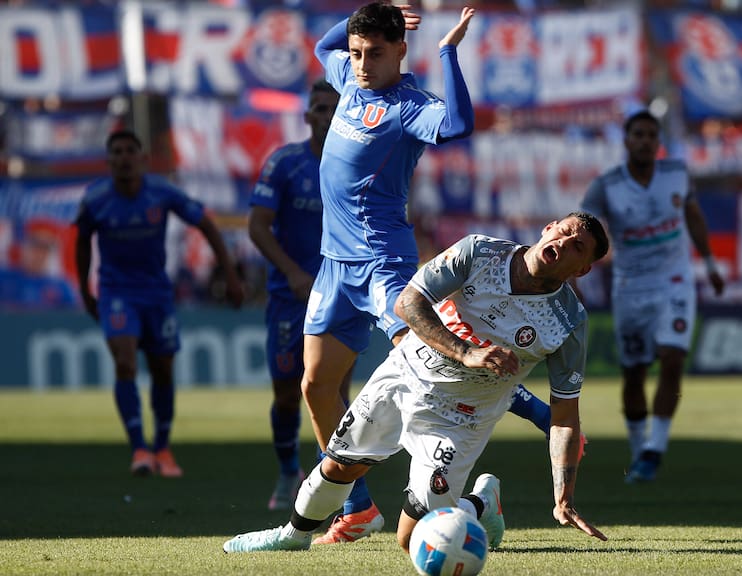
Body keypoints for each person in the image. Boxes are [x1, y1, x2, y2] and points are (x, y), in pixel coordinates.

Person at [222, 211, 610, 553]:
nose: (564, 243)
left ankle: (481, 504)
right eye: (563, 232)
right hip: (405, 375)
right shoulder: (479, 252)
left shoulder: (568, 323)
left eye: (578, 247)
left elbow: (565, 415)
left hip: (462, 418)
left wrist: (564, 497)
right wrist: (466, 351)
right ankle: (292, 534)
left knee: (413, 539)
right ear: (547, 229)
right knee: (341, 466)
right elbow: (407, 302)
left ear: (582, 270)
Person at [298, 2, 476, 544]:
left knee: (426, 370)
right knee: (316, 384)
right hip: (334, 265)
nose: (361, 64)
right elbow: (322, 48)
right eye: (357, 53)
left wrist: (447, 52)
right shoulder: (348, 80)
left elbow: (459, 124)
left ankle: (467, 490)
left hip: (380, 260)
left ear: (401, 50)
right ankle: (355, 508)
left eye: (375, 53)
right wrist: (360, 10)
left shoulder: (409, 105)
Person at [74, 129, 245, 477]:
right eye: (116, 152)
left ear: (142, 159)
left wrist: (230, 276)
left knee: (163, 368)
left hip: (156, 293)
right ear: (109, 162)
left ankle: (163, 448)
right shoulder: (95, 199)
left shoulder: (161, 192)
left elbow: (207, 224)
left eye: (129, 152)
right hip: (116, 292)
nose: (123, 158)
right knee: (125, 362)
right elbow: (81, 240)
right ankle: (139, 449)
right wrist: (85, 290)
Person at [580, 110, 725, 483]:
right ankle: (638, 449)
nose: (645, 141)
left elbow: (692, 215)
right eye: (638, 135)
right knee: (633, 373)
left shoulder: (676, 175)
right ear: (626, 141)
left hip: (674, 280)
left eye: (651, 135)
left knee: (673, 358)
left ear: (658, 143)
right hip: (631, 286)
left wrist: (708, 262)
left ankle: (655, 449)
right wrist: (575, 274)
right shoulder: (606, 186)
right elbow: (582, 231)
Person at [247, 79, 350, 510]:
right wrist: (291, 272)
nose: (327, 115)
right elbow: (257, 225)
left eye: (334, 108)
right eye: (320, 108)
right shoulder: (284, 163)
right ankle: (290, 471)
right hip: (291, 296)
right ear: (308, 116)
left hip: (339, 294)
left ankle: (334, 485)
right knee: (287, 391)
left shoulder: (356, 164)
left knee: (336, 389)